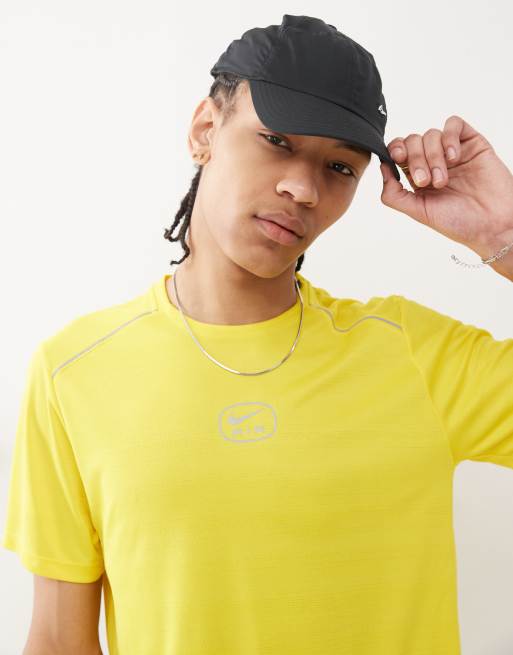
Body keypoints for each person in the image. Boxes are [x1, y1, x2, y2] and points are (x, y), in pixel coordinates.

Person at [3, 14, 513, 655]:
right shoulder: (74, 373)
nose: (303, 187)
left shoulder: (411, 354)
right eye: (275, 140)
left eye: (339, 167)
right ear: (205, 131)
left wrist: (503, 232)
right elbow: (58, 642)